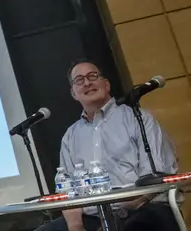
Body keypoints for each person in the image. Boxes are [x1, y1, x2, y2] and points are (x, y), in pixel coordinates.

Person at [35, 60, 180, 231]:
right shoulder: (70, 136)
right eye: (79, 80)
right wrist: (75, 226)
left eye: (92, 76)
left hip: (142, 208)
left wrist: (122, 214)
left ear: (106, 84)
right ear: (73, 93)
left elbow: (156, 177)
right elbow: (67, 190)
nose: (87, 83)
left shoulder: (138, 119)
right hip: (93, 216)